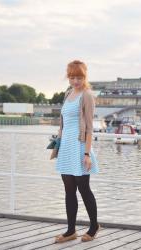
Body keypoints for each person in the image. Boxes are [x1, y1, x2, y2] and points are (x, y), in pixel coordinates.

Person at [55, 60, 100, 243]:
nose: (75, 81)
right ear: (68, 77)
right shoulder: (68, 94)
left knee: (83, 188)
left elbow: (89, 128)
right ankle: (71, 230)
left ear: (85, 77)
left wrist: (87, 154)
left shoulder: (87, 95)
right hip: (66, 147)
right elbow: (64, 123)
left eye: (79, 77)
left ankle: (94, 226)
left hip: (80, 147)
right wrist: (58, 142)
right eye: (72, 77)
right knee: (69, 190)